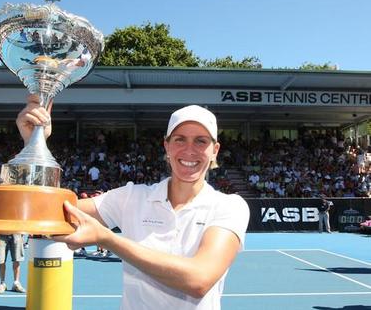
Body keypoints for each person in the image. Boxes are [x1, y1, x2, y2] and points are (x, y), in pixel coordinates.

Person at [17, 97, 250, 310]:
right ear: (166, 146)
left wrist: (108, 239)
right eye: (180, 139)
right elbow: (45, 212)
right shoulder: (131, 198)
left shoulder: (230, 206)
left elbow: (199, 279)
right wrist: (34, 144)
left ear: (215, 150)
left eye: (201, 141)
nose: (189, 150)